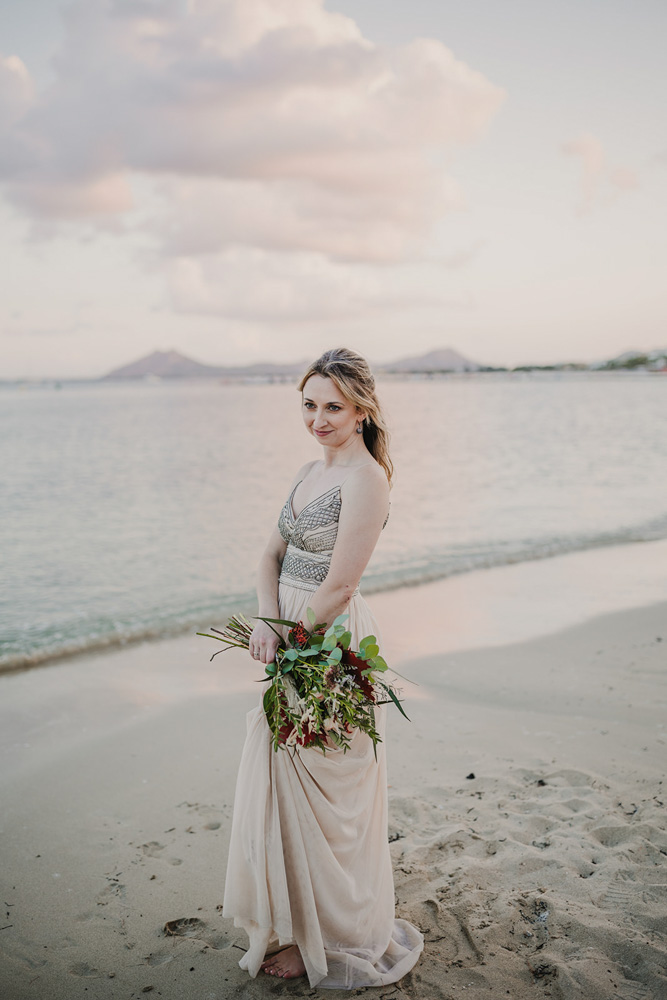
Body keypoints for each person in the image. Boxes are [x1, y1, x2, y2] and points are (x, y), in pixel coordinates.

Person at [222, 347, 424, 989]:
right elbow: (269, 554)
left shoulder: (367, 481)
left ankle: (338, 937)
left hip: (328, 648)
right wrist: (263, 620)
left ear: (362, 408)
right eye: (308, 405)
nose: (318, 418)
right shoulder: (309, 470)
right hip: (286, 637)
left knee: (331, 793)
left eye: (332, 406)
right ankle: (301, 922)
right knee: (290, 783)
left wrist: (292, 644)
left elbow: (338, 586)